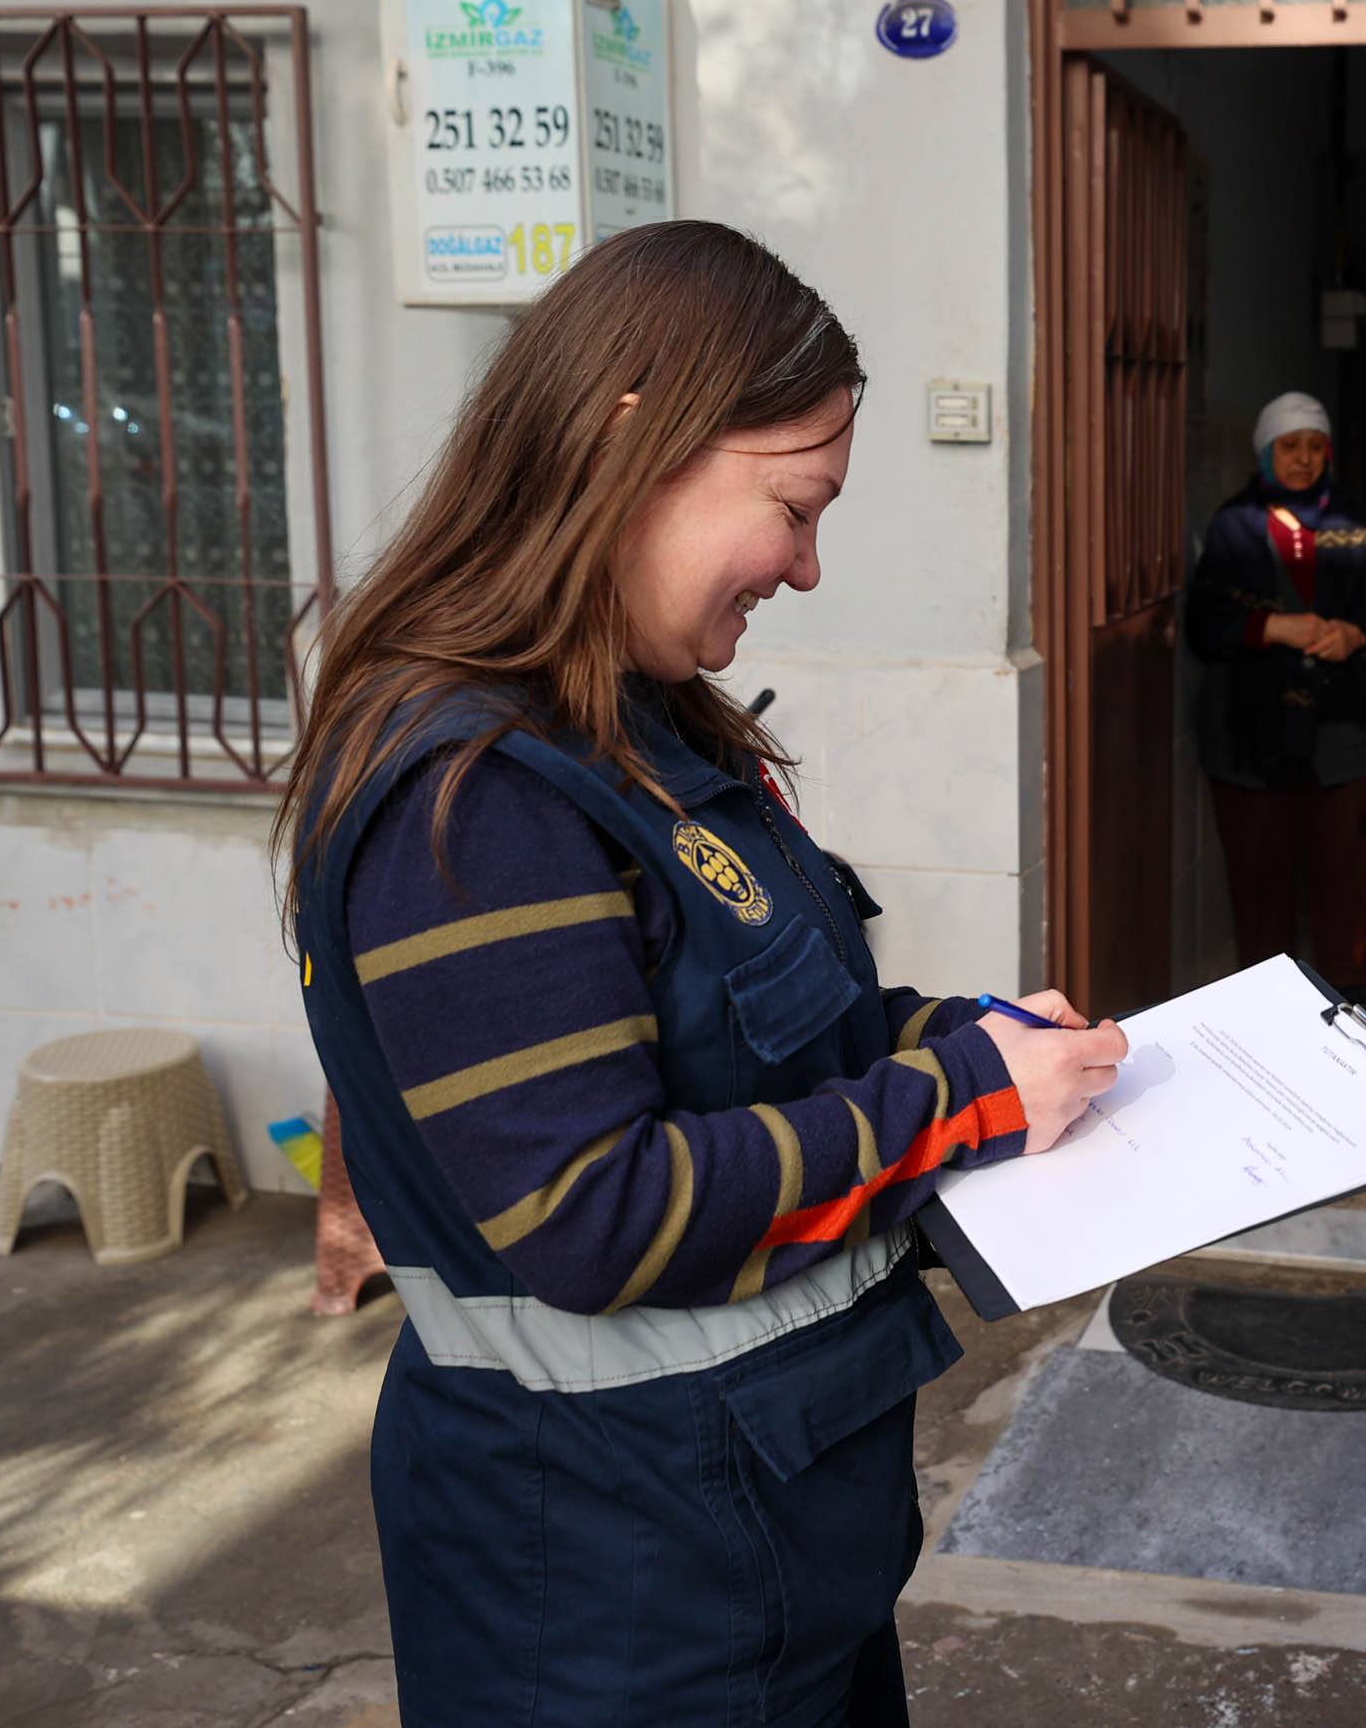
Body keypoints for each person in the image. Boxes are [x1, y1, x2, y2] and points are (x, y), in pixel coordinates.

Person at [278, 220, 1127, 1727]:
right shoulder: (470, 794)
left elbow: (762, 1027)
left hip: (759, 1529)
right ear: (632, 442)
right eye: (793, 507)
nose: (806, 568)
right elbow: (590, 1209)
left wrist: (968, 1037)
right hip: (612, 1588)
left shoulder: (646, 721)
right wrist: (963, 1098)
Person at [1185, 390, 1366, 991]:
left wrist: (1354, 633)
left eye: (1315, 446)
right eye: (1290, 447)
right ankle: (1265, 1002)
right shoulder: (1233, 527)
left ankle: (1348, 1002)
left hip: (1342, 735)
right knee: (1260, 883)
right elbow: (1202, 626)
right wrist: (1271, 625)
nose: (1304, 459)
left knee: (1346, 876)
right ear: (1265, 454)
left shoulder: (1351, 525)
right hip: (1249, 739)